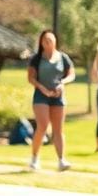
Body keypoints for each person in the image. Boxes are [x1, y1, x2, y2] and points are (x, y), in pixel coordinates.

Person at [26, 29, 75, 171]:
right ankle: (34, 158)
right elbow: (31, 78)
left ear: (55, 41)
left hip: (58, 96)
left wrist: (63, 83)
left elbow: (71, 74)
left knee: (58, 129)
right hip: (41, 96)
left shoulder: (63, 58)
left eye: (50, 39)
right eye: (45, 40)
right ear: (41, 42)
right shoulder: (36, 59)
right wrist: (43, 89)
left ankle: (61, 160)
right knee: (42, 126)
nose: (48, 42)